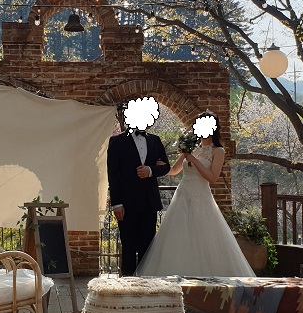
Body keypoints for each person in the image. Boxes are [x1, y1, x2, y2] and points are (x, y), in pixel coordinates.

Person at [136, 113, 256, 278]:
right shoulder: (190, 146)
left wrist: (194, 160)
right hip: (183, 195)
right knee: (177, 236)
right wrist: (159, 167)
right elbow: (174, 170)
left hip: (201, 196)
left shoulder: (218, 150)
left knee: (203, 237)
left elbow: (212, 177)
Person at [107, 106, 171, 276]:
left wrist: (150, 170)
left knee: (148, 247)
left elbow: (166, 167)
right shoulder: (117, 141)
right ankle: (127, 284)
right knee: (128, 246)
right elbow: (113, 174)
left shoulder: (155, 140)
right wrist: (117, 203)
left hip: (149, 202)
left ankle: (146, 283)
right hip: (126, 203)